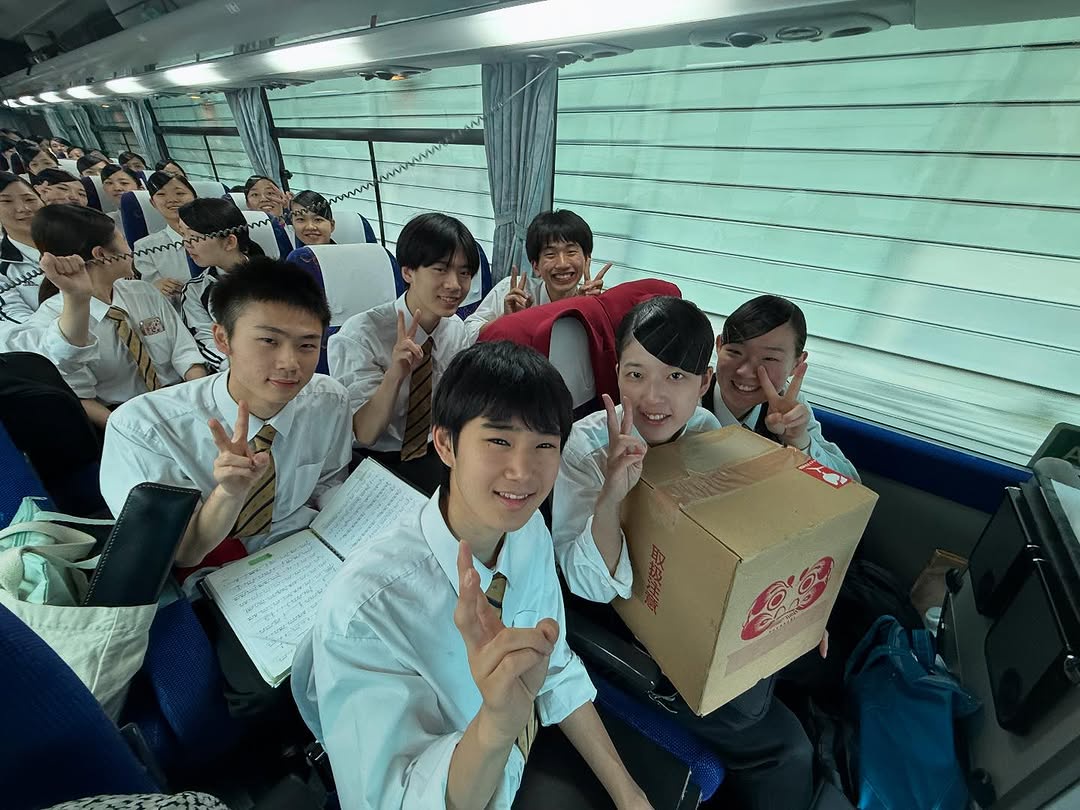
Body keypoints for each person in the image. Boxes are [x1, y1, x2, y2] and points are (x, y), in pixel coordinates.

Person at [292, 340, 652, 810]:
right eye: (499, 441)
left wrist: (630, 794)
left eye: (544, 445)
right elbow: (398, 799)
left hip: (531, 757)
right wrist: (497, 725)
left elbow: (555, 666)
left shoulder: (527, 531)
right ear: (446, 444)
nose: (522, 472)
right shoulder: (366, 611)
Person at [552, 296, 831, 810]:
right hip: (634, 636)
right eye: (636, 374)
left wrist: (799, 610)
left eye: (676, 376)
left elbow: (741, 531)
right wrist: (611, 495)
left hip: (701, 609)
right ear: (617, 373)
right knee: (786, 750)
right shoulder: (586, 449)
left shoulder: (705, 431)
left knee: (817, 663)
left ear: (703, 383)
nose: (652, 397)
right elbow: (584, 582)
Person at [100, 258, 353, 715]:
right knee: (267, 688)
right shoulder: (145, 428)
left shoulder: (328, 399)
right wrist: (229, 493)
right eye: (269, 341)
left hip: (304, 554)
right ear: (223, 340)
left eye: (307, 345)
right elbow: (181, 554)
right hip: (216, 577)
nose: (290, 363)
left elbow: (329, 480)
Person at [328, 212, 477, 493]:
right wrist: (395, 375)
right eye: (440, 269)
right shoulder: (360, 335)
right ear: (408, 272)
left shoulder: (455, 329)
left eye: (465, 273)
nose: (455, 285)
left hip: (435, 448)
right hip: (375, 459)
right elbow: (365, 433)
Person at [28, 204, 207, 429]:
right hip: (123, 418)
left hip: (180, 398)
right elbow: (80, 396)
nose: (130, 249)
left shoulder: (143, 292)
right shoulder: (54, 321)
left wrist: (202, 402)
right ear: (101, 255)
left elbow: (185, 353)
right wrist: (130, 433)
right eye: (123, 240)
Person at [705, 294, 857, 481]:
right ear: (719, 346)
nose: (745, 371)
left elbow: (847, 482)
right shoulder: (688, 395)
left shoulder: (788, 405)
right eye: (735, 352)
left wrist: (799, 440)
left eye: (769, 358)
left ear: (796, 363)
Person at [464, 209, 610, 342]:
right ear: (535, 266)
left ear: (587, 258)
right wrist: (507, 320)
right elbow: (467, 334)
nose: (562, 264)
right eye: (550, 254)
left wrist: (588, 308)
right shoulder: (514, 291)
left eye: (571, 252)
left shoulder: (593, 301)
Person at [177, 197, 265, 372]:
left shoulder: (276, 276)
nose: (186, 244)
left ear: (229, 242)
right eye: (183, 235)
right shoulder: (195, 291)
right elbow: (207, 342)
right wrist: (241, 369)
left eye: (194, 237)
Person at [133, 170, 197, 298]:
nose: (172, 200)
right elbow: (148, 295)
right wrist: (155, 288)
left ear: (196, 198)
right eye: (161, 194)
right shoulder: (145, 247)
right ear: (153, 203)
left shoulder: (217, 235)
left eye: (180, 193)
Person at [0, 173, 46, 335]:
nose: (23, 208)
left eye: (29, 199)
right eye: (6, 201)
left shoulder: (78, 241)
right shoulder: (3, 266)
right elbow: (18, 322)